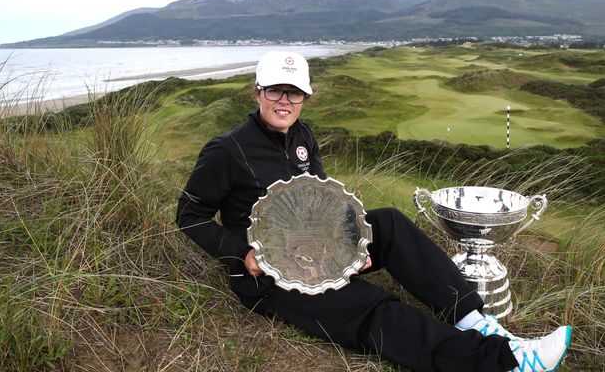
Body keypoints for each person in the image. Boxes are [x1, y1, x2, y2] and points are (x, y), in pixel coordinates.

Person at [176, 50, 572, 372]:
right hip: (270, 276)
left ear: (305, 97)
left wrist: (353, 243)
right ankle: (505, 363)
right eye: (275, 90)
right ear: (257, 92)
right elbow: (189, 215)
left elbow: (324, 202)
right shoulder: (227, 150)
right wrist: (243, 255)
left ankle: (475, 321)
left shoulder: (302, 136)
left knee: (389, 223)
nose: (285, 101)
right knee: (372, 307)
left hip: (317, 249)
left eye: (293, 92)